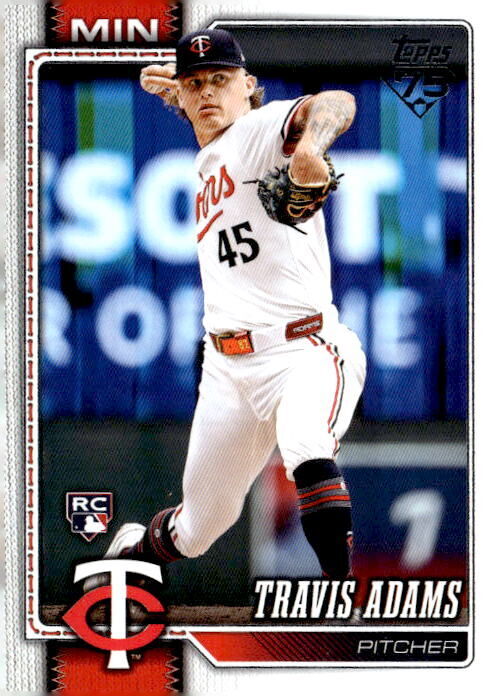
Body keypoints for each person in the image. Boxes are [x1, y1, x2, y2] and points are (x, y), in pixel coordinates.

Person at [94, 28, 366, 585]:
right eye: (196, 84)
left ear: (249, 85)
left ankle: (342, 604)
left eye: (221, 79)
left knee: (305, 446)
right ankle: (131, 550)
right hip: (228, 369)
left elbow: (337, 103)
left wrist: (308, 148)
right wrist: (183, 91)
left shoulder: (262, 129)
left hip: (303, 351)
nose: (208, 91)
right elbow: (209, 114)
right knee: (197, 530)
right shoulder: (211, 153)